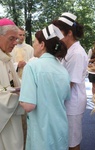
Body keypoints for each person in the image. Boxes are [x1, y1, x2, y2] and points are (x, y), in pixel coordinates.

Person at [19, 24, 70, 150]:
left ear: (42, 45)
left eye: (35, 42)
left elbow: (28, 105)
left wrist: (21, 96)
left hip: (42, 132)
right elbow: (64, 96)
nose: (33, 45)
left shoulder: (32, 67)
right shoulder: (62, 70)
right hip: (60, 128)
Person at [52, 12, 88, 150]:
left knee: (72, 141)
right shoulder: (68, 50)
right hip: (66, 101)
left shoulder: (77, 53)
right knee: (65, 138)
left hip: (72, 102)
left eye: (58, 32)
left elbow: (69, 84)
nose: (56, 36)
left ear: (69, 33)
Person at [0, 18, 24, 150]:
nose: (15, 43)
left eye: (17, 39)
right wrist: (20, 97)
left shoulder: (6, 58)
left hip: (12, 117)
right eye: (11, 39)